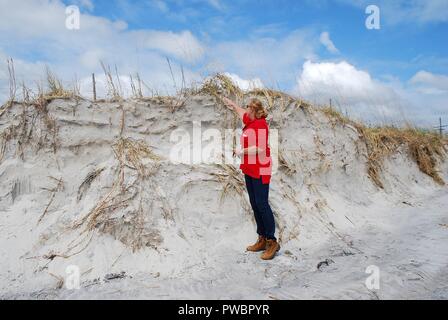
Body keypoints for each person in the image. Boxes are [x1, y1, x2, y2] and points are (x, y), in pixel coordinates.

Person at [222, 97, 280, 260]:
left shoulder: (261, 124)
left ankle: (272, 241)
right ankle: (261, 238)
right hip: (249, 168)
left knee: (262, 204)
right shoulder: (249, 119)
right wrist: (233, 105)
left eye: (248, 108)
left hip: (261, 169)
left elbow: (260, 148)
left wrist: (241, 151)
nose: (245, 110)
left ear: (254, 111)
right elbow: (241, 113)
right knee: (254, 203)